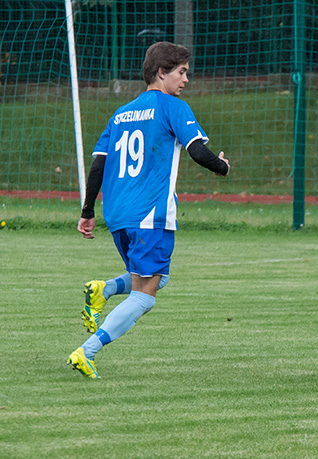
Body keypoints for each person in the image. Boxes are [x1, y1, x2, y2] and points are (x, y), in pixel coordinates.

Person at [68, 42, 230, 379]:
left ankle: (105, 289)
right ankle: (87, 352)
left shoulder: (120, 113)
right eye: (181, 71)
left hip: (118, 215)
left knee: (159, 278)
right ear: (161, 72)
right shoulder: (172, 106)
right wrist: (222, 167)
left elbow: (99, 165)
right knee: (146, 296)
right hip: (150, 215)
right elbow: (198, 152)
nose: (186, 79)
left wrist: (87, 210)